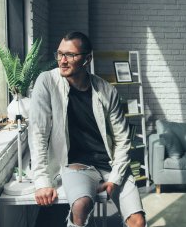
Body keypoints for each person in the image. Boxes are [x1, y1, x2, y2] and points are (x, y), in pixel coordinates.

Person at [29, 31, 146, 227]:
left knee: (138, 221)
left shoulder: (107, 90)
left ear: (87, 59)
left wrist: (116, 178)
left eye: (71, 55)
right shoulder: (47, 82)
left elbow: (122, 139)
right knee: (80, 206)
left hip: (111, 164)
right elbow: (38, 133)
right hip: (78, 166)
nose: (63, 60)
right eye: (60, 53)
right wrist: (42, 182)